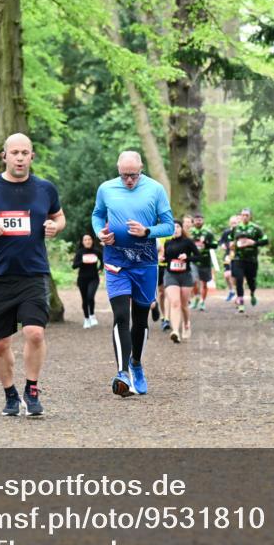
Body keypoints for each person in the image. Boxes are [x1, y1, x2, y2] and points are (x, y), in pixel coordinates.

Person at [0, 134, 66, 418]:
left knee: (34, 332)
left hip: (34, 273)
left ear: (32, 156)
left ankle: (32, 390)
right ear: (4, 156)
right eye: (14, 153)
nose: (20, 157)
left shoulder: (45, 189)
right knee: (0, 343)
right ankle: (10, 394)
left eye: (25, 152)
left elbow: (59, 216)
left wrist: (55, 226)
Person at [92, 150, 175, 397]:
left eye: (134, 175)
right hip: (116, 262)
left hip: (146, 264)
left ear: (142, 169)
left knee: (140, 320)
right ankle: (122, 374)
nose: (129, 180)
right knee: (120, 317)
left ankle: (136, 364)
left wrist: (147, 231)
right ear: (118, 170)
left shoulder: (156, 189)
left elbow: (169, 225)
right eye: (125, 175)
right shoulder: (106, 188)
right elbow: (97, 215)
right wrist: (100, 233)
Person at [162, 221, 202, 342]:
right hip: (170, 275)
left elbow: (198, 256)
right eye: (173, 227)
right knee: (175, 302)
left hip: (185, 275)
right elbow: (166, 258)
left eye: (178, 227)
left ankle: (186, 324)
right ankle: (175, 331)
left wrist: (187, 258)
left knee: (184, 305)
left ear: (181, 229)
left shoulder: (188, 242)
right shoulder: (168, 242)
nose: (175, 229)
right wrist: (162, 258)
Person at [229, 207, 269, 313]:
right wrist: (231, 245)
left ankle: (252, 292)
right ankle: (241, 302)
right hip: (238, 258)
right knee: (239, 279)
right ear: (240, 216)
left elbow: (266, 240)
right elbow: (230, 239)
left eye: (247, 215)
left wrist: (254, 243)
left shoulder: (256, 228)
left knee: (251, 281)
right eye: (243, 215)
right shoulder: (236, 228)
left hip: (251, 259)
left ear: (250, 216)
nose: (244, 217)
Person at [72, 233, 103, 329]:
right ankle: (86, 319)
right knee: (84, 299)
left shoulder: (97, 251)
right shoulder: (80, 252)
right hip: (82, 279)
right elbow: (74, 266)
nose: (87, 241)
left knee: (90, 296)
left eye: (89, 239)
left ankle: (92, 315)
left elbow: (103, 261)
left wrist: (100, 268)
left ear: (92, 240)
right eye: (85, 240)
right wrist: (82, 262)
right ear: (82, 242)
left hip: (94, 278)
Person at [188, 212, 217, 311]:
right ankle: (196, 298)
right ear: (193, 221)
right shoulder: (189, 232)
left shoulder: (208, 232)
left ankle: (202, 302)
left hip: (205, 260)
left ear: (203, 220)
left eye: (200, 219)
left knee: (204, 283)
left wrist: (206, 244)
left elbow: (215, 245)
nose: (198, 221)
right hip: (193, 261)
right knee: (194, 281)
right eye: (196, 220)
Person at [218, 214, 240, 301]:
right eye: (232, 223)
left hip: (238, 256)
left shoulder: (240, 232)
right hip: (228, 255)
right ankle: (231, 291)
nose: (233, 224)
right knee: (227, 275)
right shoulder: (227, 232)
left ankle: (238, 292)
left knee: (236, 276)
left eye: (235, 223)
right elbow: (220, 241)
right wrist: (222, 244)